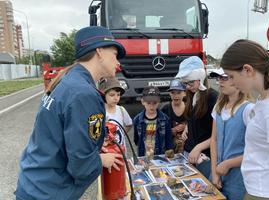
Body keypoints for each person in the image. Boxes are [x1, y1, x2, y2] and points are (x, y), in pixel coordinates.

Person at [15, 26, 126, 200]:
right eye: (114, 54)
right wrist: (102, 160)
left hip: (35, 184)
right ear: (99, 52)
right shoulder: (84, 94)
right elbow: (81, 167)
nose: (118, 62)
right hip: (50, 192)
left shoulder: (68, 80)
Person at [221, 39, 269, 200]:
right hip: (262, 190)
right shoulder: (266, 99)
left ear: (247, 70)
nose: (232, 83)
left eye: (231, 76)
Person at [209, 68, 254, 200]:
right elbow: (214, 140)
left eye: (225, 78)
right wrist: (214, 171)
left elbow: (257, 150)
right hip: (218, 174)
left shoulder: (249, 110)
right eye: (219, 78)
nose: (220, 82)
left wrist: (228, 163)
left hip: (239, 179)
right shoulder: (218, 107)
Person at [175, 56, 218, 179]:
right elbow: (193, 116)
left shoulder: (213, 98)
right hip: (189, 152)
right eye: (185, 83)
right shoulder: (191, 95)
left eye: (191, 82)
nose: (188, 87)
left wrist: (199, 147)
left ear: (201, 78)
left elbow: (219, 134)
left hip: (205, 156)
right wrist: (187, 127)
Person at [133, 86, 173, 157]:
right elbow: (136, 140)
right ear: (142, 101)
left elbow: (168, 140)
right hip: (144, 155)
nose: (151, 106)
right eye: (148, 103)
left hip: (161, 156)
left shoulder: (165, 119)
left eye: (154, 103)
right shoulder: (137, 120)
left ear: (159, 101)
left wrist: (169, 156)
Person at [99, 77, 132, 150]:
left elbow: (129, 124)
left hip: (121, 151)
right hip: (107, 153)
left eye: (118, 94)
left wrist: (120, 134)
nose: (116, 98)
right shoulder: (98, 113)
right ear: (103, 95)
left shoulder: (121, 110)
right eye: (112, 95)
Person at [161, 79, 186, 153]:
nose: (176, 95)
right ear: (169, 94)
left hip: (186, 144)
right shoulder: (165, 108)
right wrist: (170, 131)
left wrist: (185, 127)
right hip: (169, 146)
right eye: (173, 93)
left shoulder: (189, 107)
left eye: (179, 92)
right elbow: (159, 128)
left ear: (184, 93)